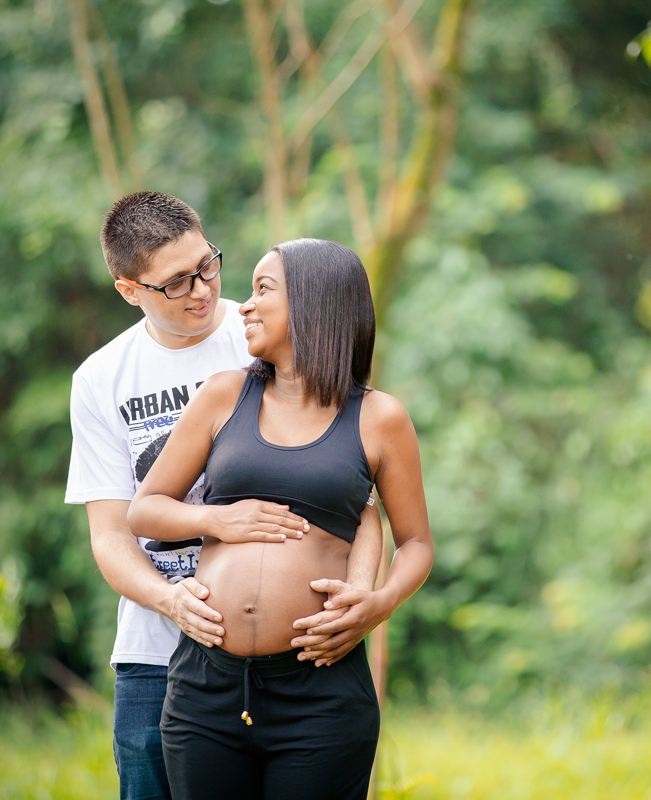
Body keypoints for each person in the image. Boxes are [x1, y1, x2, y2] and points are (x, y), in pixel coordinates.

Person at [65, 192, 383, 800]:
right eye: (176, 282)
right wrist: (172, 601)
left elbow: (360, 494)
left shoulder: (270, 331)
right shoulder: (102, 379)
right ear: (129, 290)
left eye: (207, 263)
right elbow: (111, 533)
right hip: (158, 659)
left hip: (292, 667)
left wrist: (363, 594)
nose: (203, 288)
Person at [127, 238, 433, 800]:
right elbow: (144, 510)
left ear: (317, 304)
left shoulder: (380, 418)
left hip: (319, 692)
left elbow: (415, 542)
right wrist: (221, 521)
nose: (243, 305)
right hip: (206, 688)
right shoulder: (224, 396)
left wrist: (377, 605)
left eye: (263, 289)